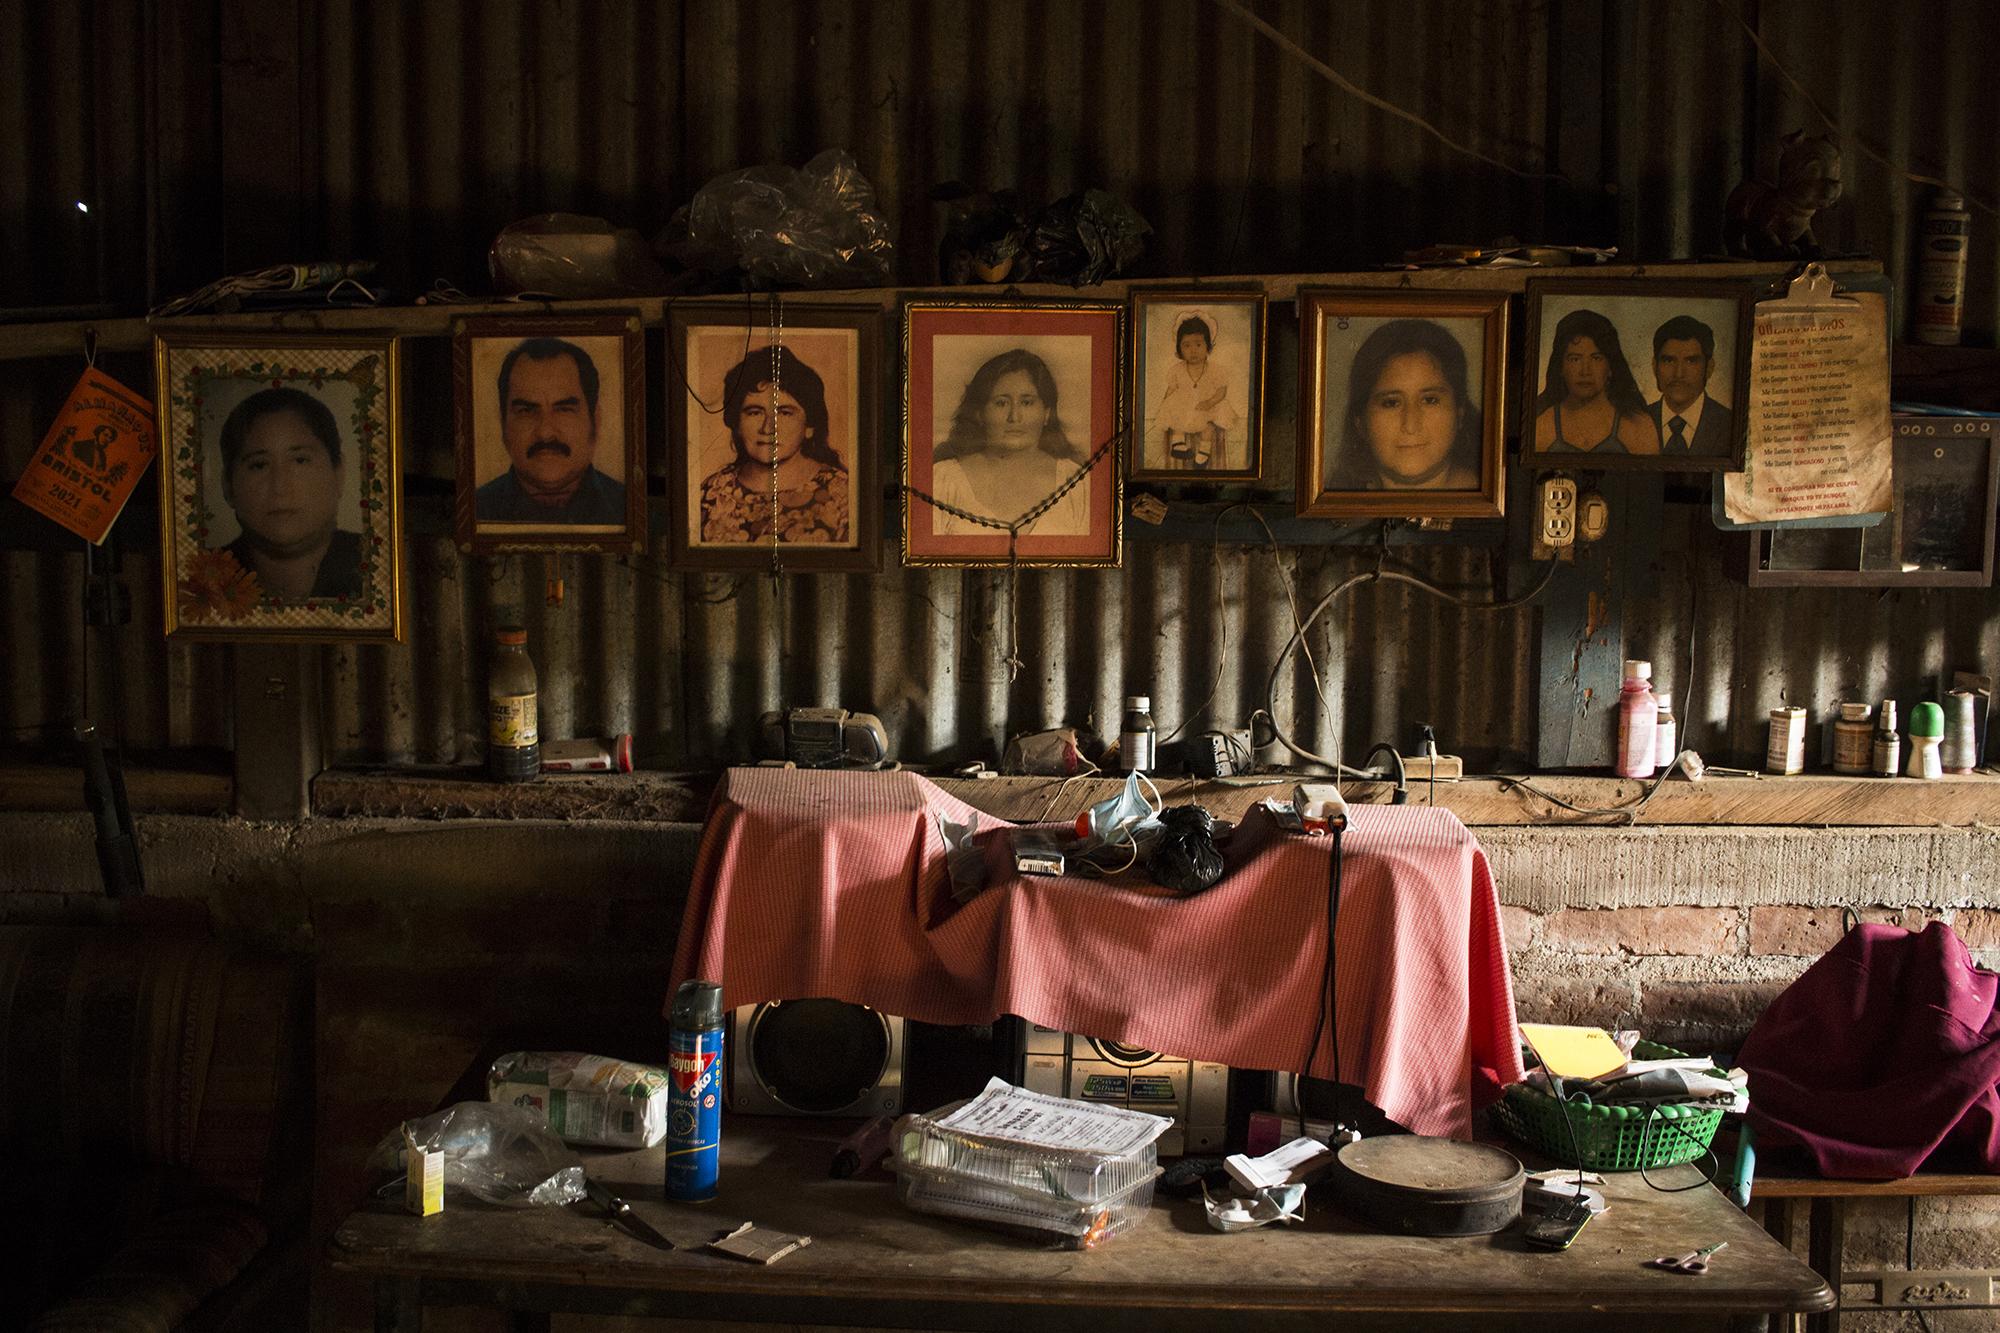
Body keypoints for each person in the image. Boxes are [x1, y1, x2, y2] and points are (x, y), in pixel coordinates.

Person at [212, 387, 362, 600]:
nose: (280, 487)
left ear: (338, 473)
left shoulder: (380, 565)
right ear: (228, 485)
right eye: (259, 465)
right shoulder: (202, 579)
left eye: (300, 460)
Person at [930, 348, 1092, 536]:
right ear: (980, 413)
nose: (1014, 417)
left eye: (1027, 402)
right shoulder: (943, 481)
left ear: (1047, 413)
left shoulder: (1076, 484)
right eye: (1001, 403)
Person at [699, 346, 849, 544]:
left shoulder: (843, 494)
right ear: (736, 424)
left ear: (809, 426)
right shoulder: (710, 495)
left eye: (785, 412)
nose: (768, 428)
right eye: (754, 412)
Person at [476, 337, 628, 523]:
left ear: (594, 419)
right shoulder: (473, 512)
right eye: (526, 411)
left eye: (564, 410)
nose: (545, 433)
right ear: (503, 422)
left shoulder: (631, 511)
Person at [1328, 319, 1483, 491]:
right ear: (1360, 422)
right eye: (1391, 403)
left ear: (1459, 413)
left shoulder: (1496, 503)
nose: (1410, 425)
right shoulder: (1332, 503)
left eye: (1430, 400)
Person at [1532, 309, 1659, 455]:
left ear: (1611, 366)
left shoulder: (1638, 426)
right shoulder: (1541, 426)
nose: (1585, 371)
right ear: (1561, 367)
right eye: (1575, 359)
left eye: (1596, 358)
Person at [1150, 312, 1239, 470]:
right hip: (1185, 406)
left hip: (1207, 405)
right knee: (1175, 413)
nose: (1193, 350)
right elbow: (1171, 389)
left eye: (1198, 344)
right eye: (1187, 345)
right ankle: (1178, 445)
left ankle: (1203, 453)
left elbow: (1222, 391)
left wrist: (1210, 402)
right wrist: (1165, 405)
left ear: (1208, 346)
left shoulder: (1215, 370)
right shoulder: (1177, 370)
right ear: (1180, 348)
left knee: (1209, 427)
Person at [1647, 314, 1734, 456]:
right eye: (1669, 361)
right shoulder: (1632, 423)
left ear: (1709, 367)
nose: (1679, 374)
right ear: (1654, 366)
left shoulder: (1729, 425)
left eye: (1691, 361)